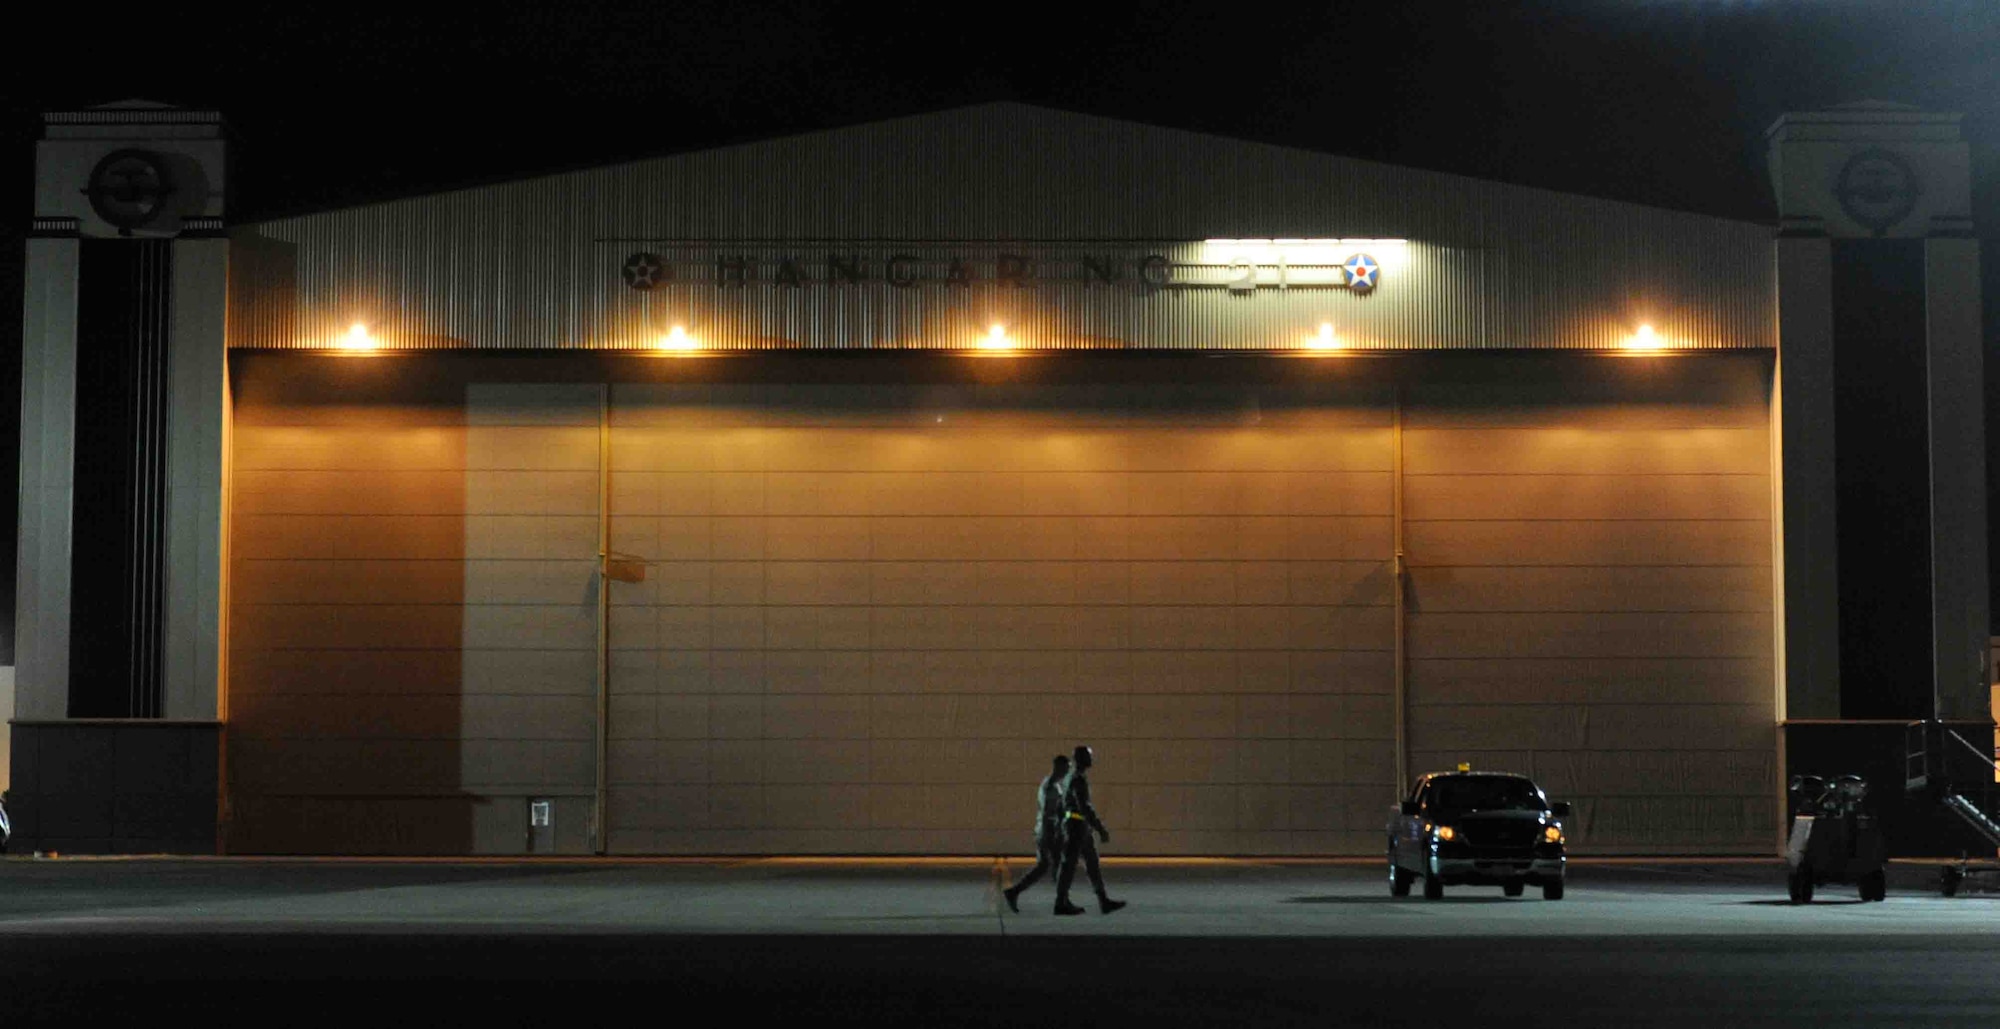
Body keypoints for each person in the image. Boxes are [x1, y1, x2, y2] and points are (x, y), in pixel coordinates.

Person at [1054, 745, 1126, 915]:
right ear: (1082, 759)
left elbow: (1061, 803)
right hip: (1077, 826)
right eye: (1089, 756)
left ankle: (1102, 900)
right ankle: (1061, 903)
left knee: (1091, 863)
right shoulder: (1078, 779)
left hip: (1078, 826)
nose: (1091, 759)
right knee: (1069, 865)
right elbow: (1084, 807)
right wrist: (1100, 828)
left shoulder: (1071, 777)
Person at [1001, 754, 1070, 913]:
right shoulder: (1049, 787)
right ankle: (1061, 901)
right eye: (1066, 767)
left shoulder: (1054, 786)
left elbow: (1059, 811)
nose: (1068, 770)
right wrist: (1052, 833)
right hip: (1047, 832)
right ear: (1058, 767)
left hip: (1049, 831)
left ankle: (1014, 892)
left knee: (1049, 866)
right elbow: (1049, 814)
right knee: (1052, 866)